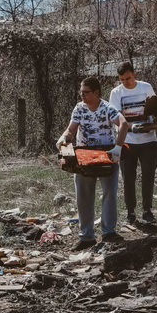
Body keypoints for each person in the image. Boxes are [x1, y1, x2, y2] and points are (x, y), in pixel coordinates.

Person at [56, 77, 129, 250]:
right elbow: (71, 130)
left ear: (96, 93)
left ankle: (109, 232)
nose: (82, 95)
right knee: (83, 195)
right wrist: (64, 138)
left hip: (106, 154)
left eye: (86, 92)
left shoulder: (107, 108)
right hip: (85, 155)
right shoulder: (79, 108)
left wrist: (118, 147)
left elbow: (124, 124)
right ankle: (87, 236)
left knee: (109, 193)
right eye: (81, 92)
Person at [109, 61, 157, 224]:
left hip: (148, 140)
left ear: (134, 74)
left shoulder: (146, 87)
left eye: (128, 78)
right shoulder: (116, 92)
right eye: (122, 79)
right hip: (127, 141)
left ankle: (147, 210)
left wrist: (152, 123)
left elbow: (155, 110)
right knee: (128, 178)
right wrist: (131, 127)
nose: (125, 82)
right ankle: (130, 212)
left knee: (148, 176)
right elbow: (116, 118)